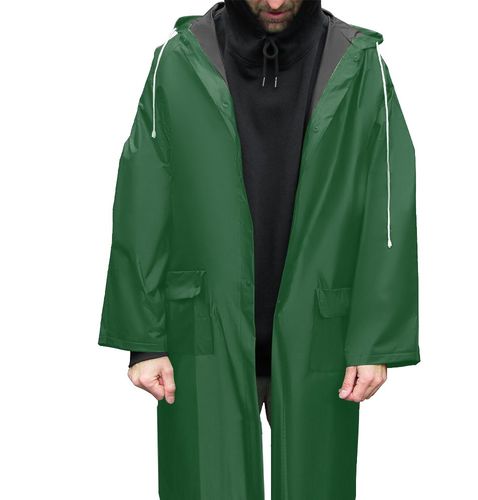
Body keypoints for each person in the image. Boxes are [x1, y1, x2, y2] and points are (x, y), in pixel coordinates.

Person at [98, 1, 420, 498]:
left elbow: (388, 201)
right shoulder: (179, 61)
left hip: (321, 332)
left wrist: (374, 340)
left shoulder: (357, 64)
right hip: (204, 331)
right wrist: (145, 340)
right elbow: (143, 198)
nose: (274, 3)